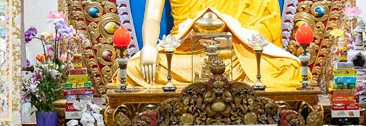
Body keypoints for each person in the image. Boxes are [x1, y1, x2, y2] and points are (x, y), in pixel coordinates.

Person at [127, 0, 302, 88]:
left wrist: (235, 30)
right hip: (187, 53)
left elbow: (262, 22)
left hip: (236, 53)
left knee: (289, 68)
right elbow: (151, 16)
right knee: (132, 69)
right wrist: (149, 46)